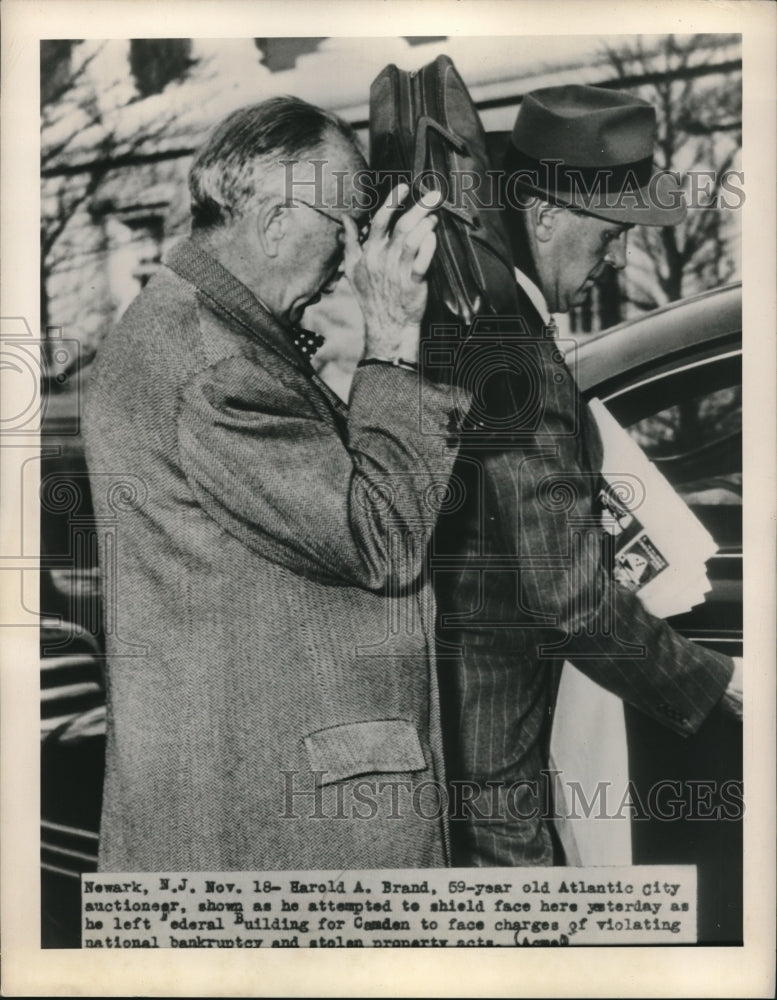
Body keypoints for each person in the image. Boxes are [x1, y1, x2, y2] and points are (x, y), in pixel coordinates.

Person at [84, 96, 464, 871]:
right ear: (276, 222)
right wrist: (390, 343)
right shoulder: (218, 369)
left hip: (245, 809)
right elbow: (379, 540)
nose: (349, 258)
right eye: (344, 225)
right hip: (283, 826)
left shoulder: (188, 332)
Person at [433, 84, 743, 866]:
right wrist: (716, 683)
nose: (623, 256)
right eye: (612, 232)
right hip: (499, 763)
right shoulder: (513, 352)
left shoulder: (496, 320)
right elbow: (569, 598)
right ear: (543, 214)